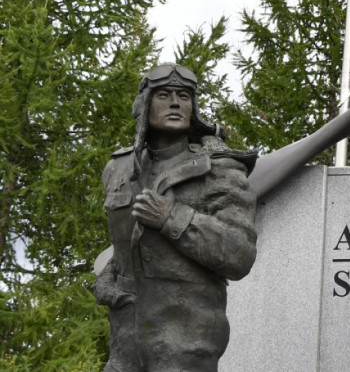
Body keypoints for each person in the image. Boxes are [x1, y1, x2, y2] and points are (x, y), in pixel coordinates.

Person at [93, 63, 258, 371]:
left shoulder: (219, 168)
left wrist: (171, 217)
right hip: (125, 344)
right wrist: (110, 272)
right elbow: (130, 241)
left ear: (193, 107)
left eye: (183, 96)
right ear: (144, 106)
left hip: (187, 343)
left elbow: (240, 253)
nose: (174, 103)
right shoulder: (118, 170)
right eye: (164, 95)